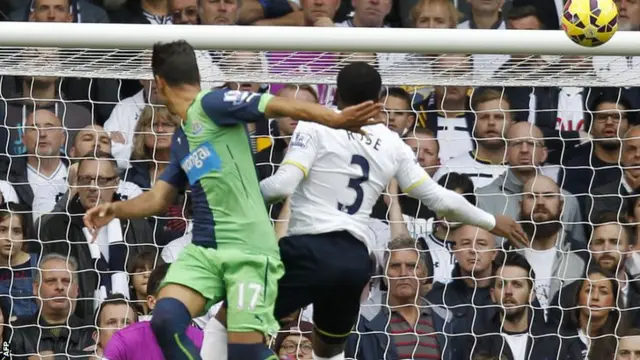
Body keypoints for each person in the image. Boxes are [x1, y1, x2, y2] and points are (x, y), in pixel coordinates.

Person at [83, 40, 383, 360]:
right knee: (166, 319)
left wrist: (333, 119)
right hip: (206, 251)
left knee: (244, 353)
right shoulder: (184, 136)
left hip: (247, 250)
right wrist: (115, 209)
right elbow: (158, 198)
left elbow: (274, 104)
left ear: (158, 83)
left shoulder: (212, 104)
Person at [258, 62, 528, 360]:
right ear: (378, 100)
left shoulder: (314, 126)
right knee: (329, 347)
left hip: (308, 247)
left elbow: (282, 186)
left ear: (336, 93)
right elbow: (441, 199)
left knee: (240, 320)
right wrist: (491, 221)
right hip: (354, 259)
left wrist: (243, 197)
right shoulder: (392, 143)